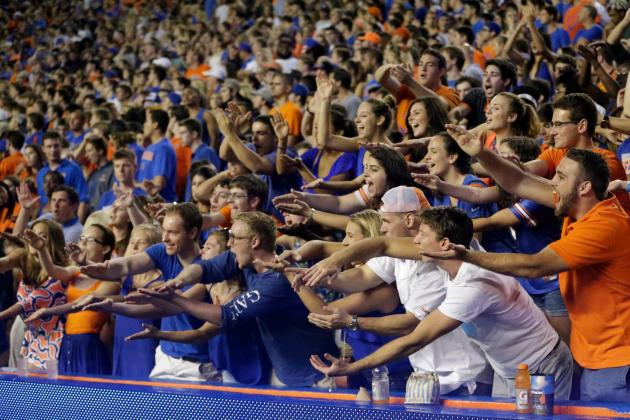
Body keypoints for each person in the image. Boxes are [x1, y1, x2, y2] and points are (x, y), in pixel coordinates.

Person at [443, 123, 630, 402]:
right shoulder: (581, 206)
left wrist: (467, 255)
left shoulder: (604, 226)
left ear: (585, 187)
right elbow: (518, 182)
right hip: (600, 354)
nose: (553, 181)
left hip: (616, 359)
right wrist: (482, 153)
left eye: (561, 177)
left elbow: (534, 266)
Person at [308, 206, 573, 400]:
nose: (415, 241)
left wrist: (352, 367)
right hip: (507, 369)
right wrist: (334, 260)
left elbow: (414, 338)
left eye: (422, 235)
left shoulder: (473, 285)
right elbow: (385, 244)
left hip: (541, 365)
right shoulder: (457, 256)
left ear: (444, 244)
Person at [279, 187, 493, 395]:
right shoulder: (399, 255)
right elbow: (359, 278)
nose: (382, 228)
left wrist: (351, 321)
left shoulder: (438, 258)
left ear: (409, 220)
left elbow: (411, 324)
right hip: (428, 372)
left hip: (463, 374)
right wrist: (310, 275)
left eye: (387, 221)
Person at [155, 211, 339, 388]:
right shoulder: (246, 261)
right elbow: (206, 268)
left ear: (255, 242)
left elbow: (225, 315)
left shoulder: (277, 280)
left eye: (234, 238)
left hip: (317, 377)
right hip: (283, 375)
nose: (229, 244)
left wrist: (176, 299)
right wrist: (179, 281)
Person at [79, 203, 216, 382]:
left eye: (173, 232)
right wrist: (100, 268)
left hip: (197, 365)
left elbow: (170, 307)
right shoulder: (163, 251)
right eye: (163, 230)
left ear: (192, 233)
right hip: (165, 358)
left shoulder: (207, 265)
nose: (165, 238)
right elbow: (127, 264)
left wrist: (115, 305)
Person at [24, 223, 120, 375]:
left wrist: (47, 311)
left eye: (90, 239)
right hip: (67, 341)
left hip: (88, 344)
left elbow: (79, 304)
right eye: (82, 239)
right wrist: (42, 249)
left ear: (106, 248)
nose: (83, 243)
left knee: (89, 394)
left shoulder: (111, 282)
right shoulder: (75, 272)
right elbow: (52, 270)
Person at [0, 220, 68, 370]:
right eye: (33, 233)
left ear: (53, 242)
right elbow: (3, 263)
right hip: (29, 333)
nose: (35, 238)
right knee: (20, 383)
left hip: (53, 338)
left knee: (45, 386)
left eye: (42, 235)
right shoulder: (24, 257)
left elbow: (27, 303)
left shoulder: (61, 271)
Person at [36, 132, 89, 222]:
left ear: (61, 147)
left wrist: (78, 226)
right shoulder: (41, 173)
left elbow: (83, 200)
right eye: (49, 146)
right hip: (45, 222)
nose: (53, 150)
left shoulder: (73, 169)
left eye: (56, 146)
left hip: (67, 222)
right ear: (43, 149)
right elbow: (41, 201)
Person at [138, 109, 177, 201]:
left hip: (158, 205)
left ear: (155, 124)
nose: (144, 125)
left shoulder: (163, 148)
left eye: (147, 121)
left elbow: (158, 183)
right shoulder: (151, 147)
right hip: (145, 201)